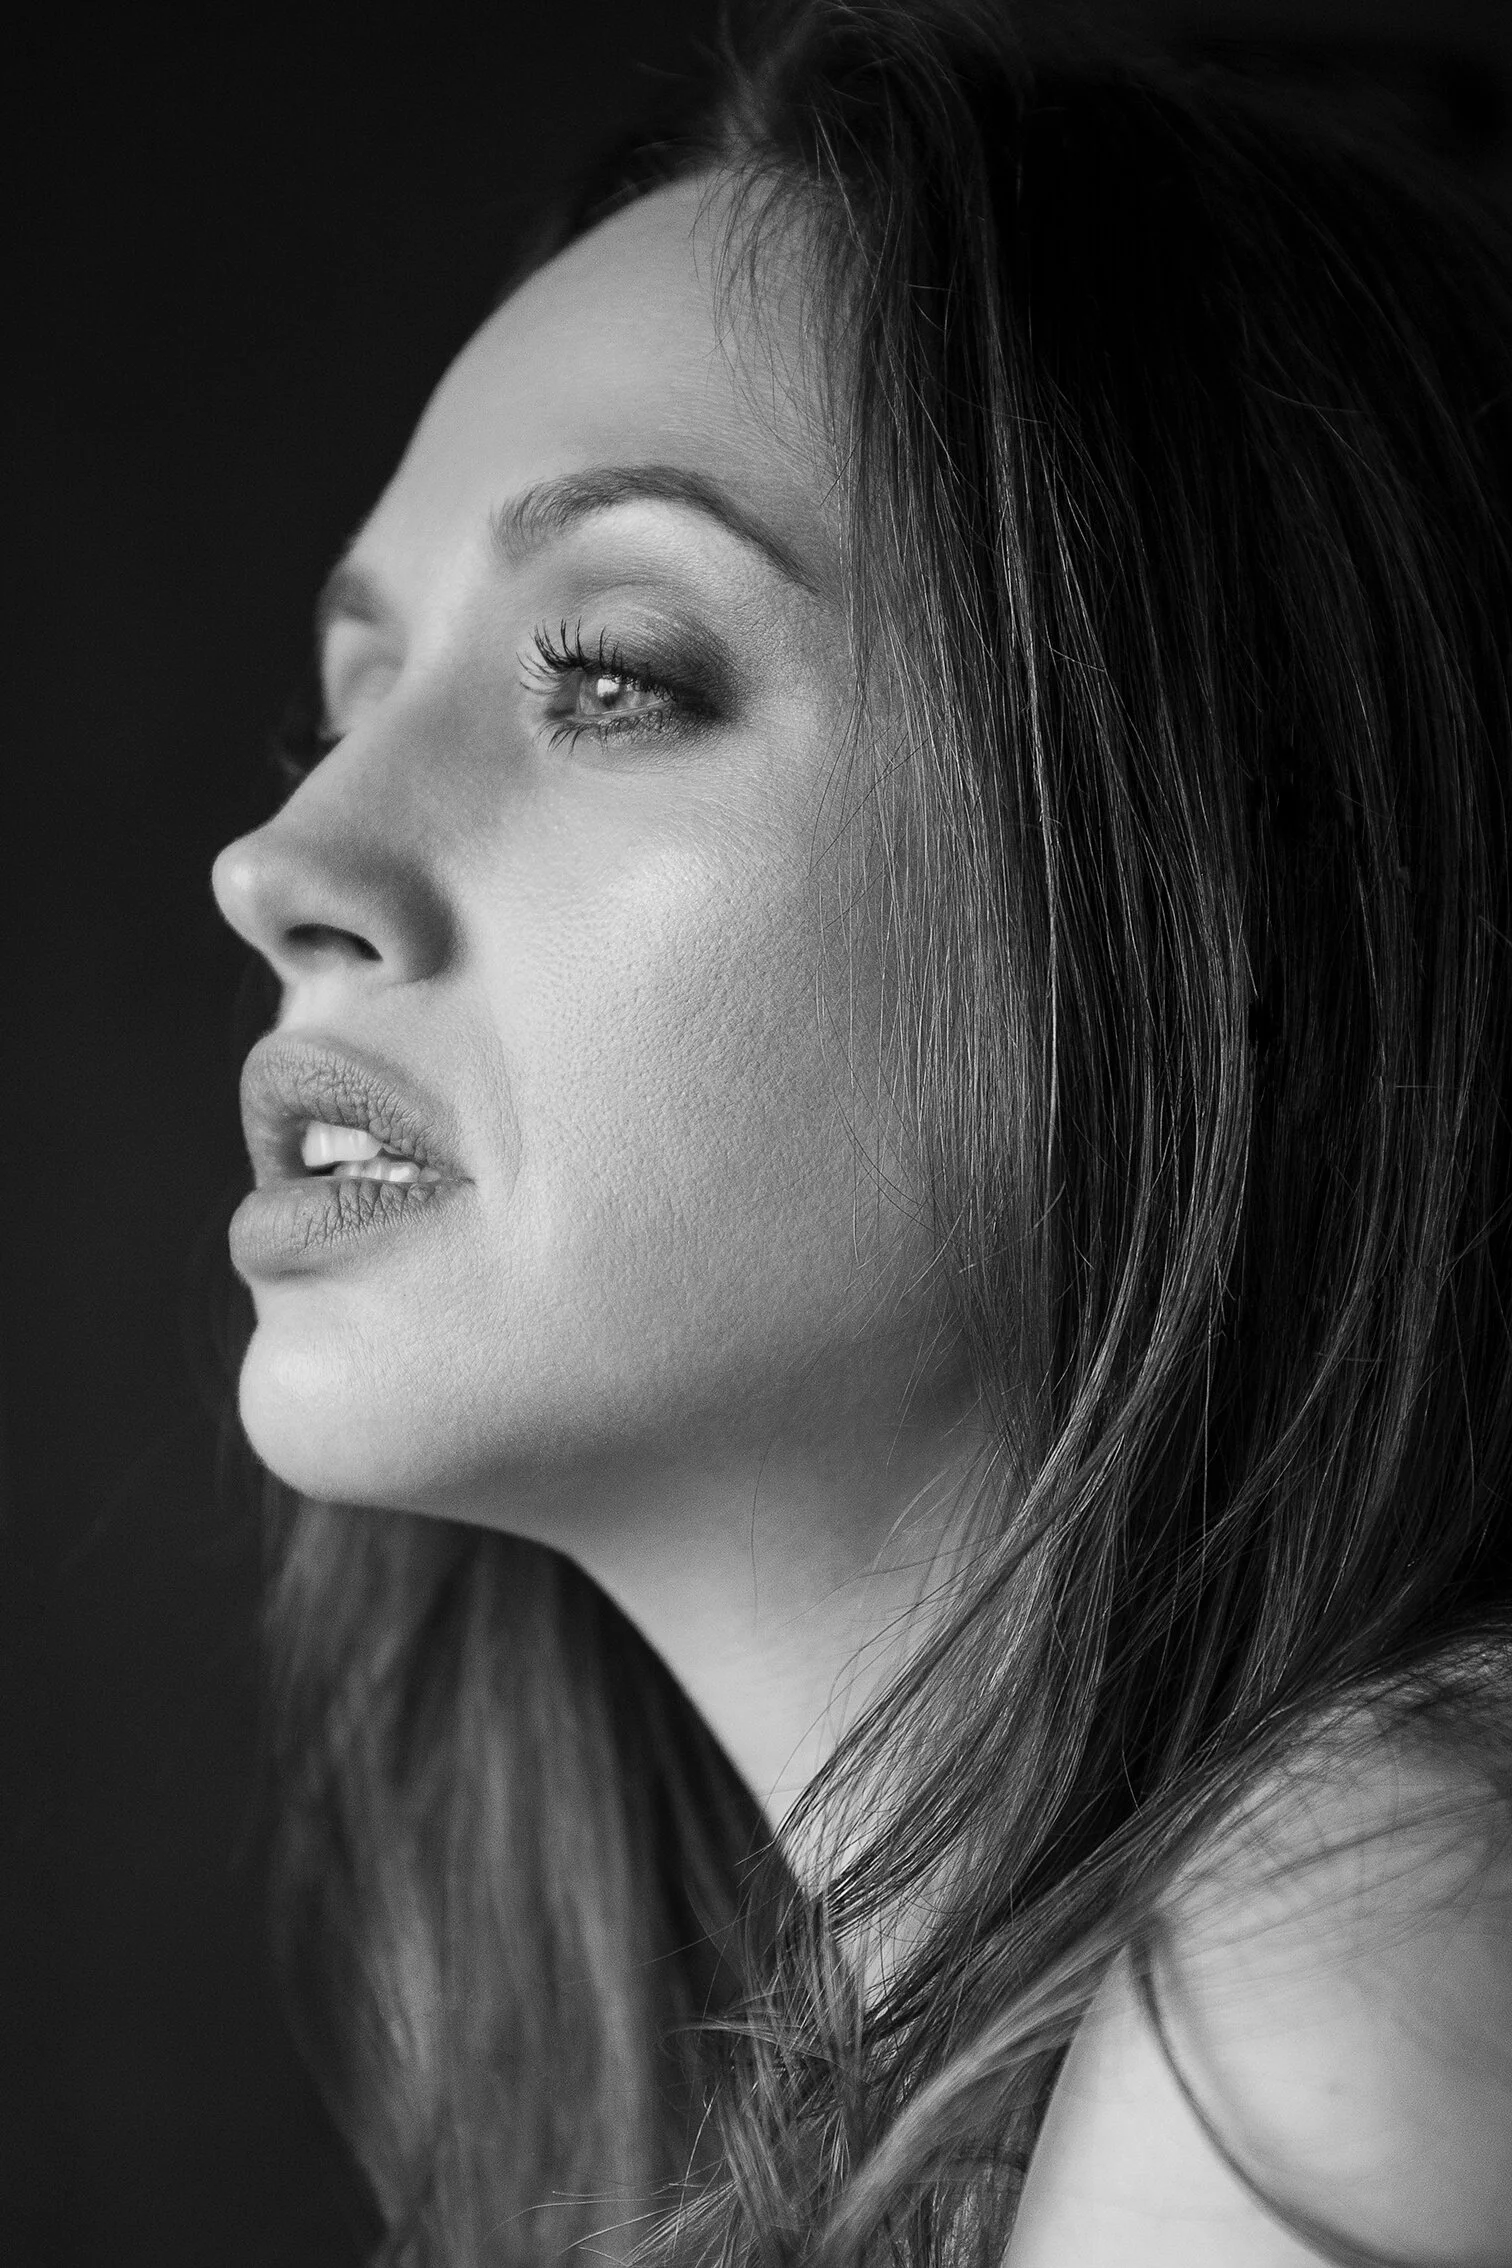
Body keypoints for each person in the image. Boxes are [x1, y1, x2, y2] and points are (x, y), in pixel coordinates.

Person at [210, 2, 1512, 2261]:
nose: (282, 862)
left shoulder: (1367, 1947)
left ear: (1218, 885)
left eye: (611, 674)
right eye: (350, 702)